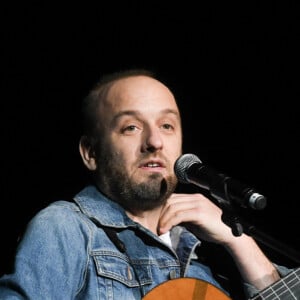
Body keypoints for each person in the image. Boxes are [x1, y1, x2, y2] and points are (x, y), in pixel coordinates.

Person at [0, 68, 293, 299]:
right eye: (131, 127)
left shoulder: (213, 247)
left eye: (167, 125)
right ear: (91, 153)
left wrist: (238, 241)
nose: (154, 141)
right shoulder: (65, 228)